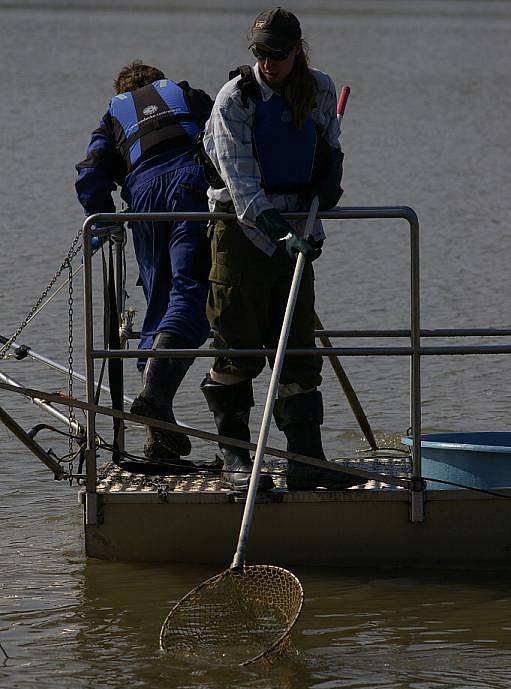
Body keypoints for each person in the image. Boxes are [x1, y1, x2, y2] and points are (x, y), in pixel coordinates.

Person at [201, 7, 363, 491]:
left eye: (279, 54)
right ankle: (236, 458)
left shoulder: (320, 88)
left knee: (296, 345)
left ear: (298, 50)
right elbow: (242, 186)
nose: (269, 64)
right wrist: (279, 232)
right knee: (236, 345)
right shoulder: (235, 100)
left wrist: (327, 188)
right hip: (242, 231)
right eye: (261, 54)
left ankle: (305, 458)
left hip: (298, 230)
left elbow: (328, 148)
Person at [75, 61, 213, 462]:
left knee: (158, 304)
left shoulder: (114, 114)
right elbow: (227, 136)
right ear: (158, 83)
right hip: (190, 188)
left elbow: (92, 171)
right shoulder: (188, 96)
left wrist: (103, 216)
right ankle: (154, 397)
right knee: (191, 292)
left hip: (144, 199)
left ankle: (159, 438)